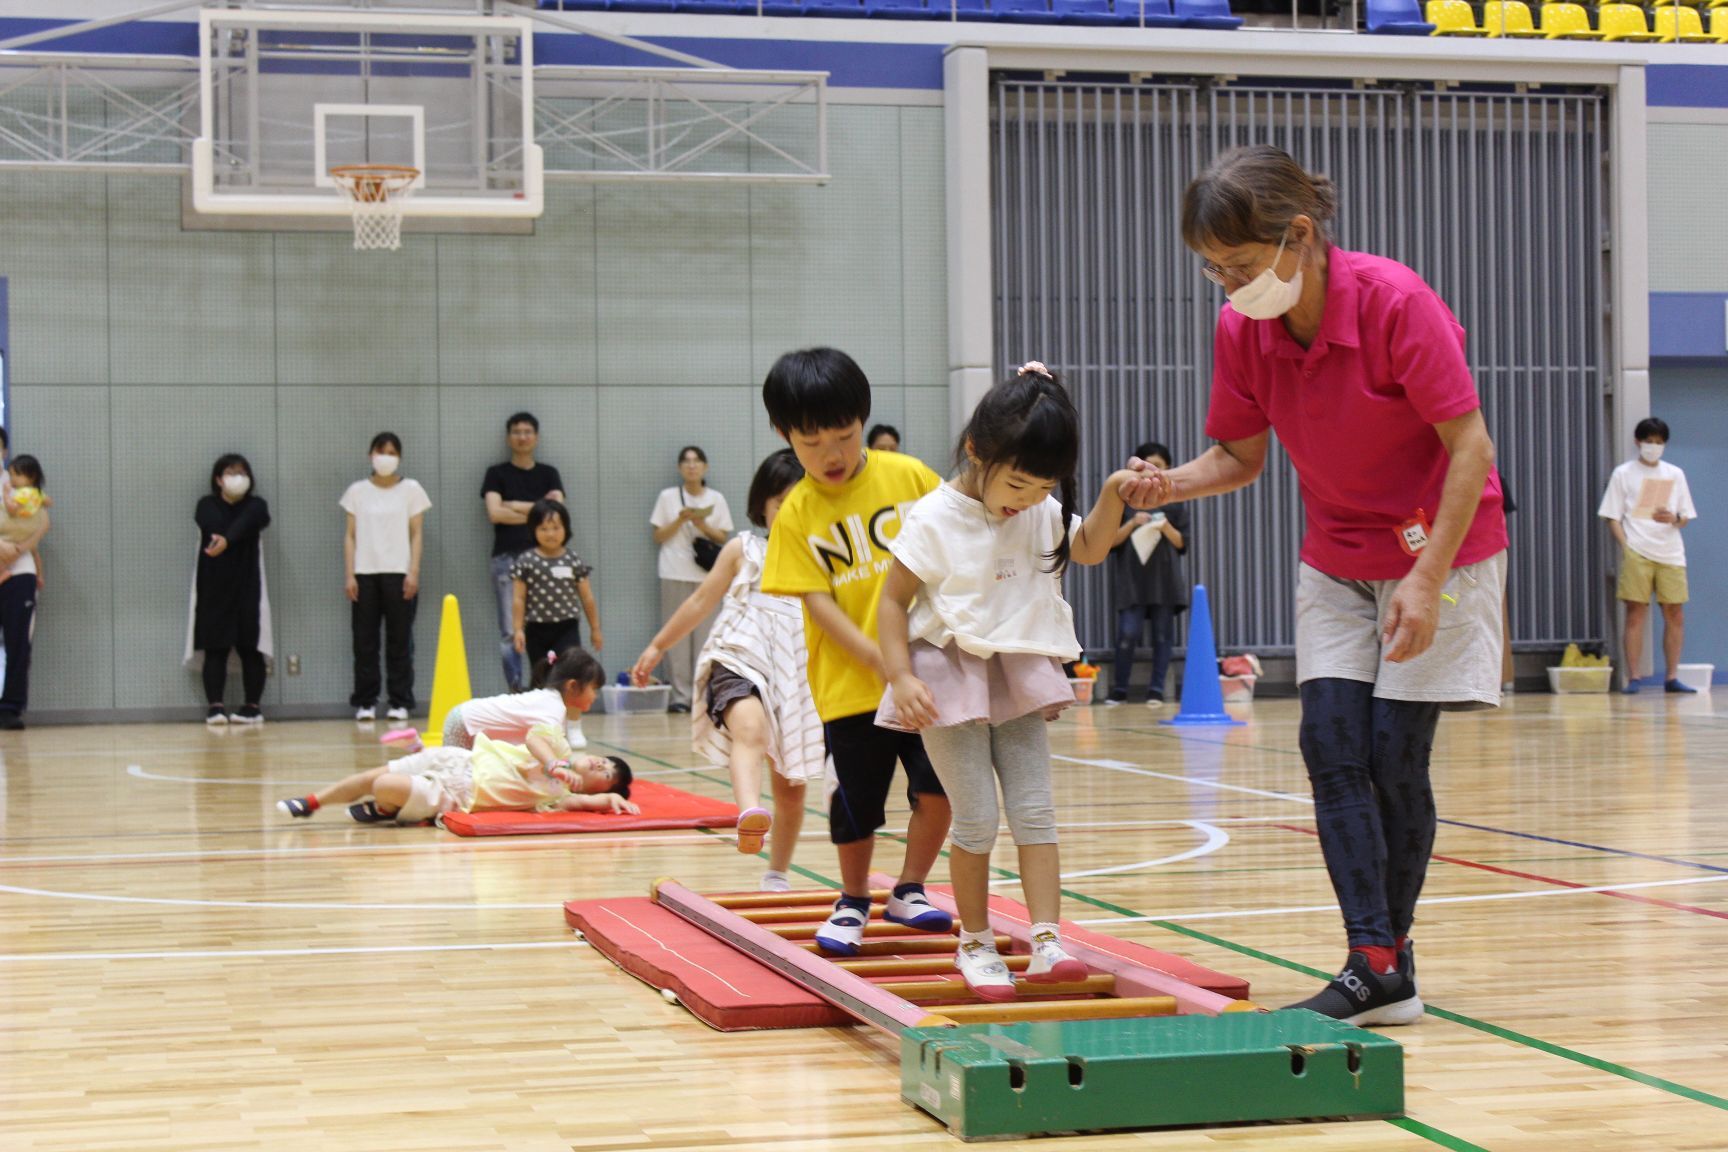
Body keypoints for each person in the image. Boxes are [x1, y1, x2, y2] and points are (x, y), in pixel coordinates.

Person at [1134, 145, 1507, 1026]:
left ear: (1298, 236)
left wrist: (1426, 576)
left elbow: (1471, 450)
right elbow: (1240, 455)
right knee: (1330, 747)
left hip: (1440, 551)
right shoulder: (1244, 328)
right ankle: (1374, 963)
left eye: (1238, 264)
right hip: (1337, 554)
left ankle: (1386, 962)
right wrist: (1168, 484)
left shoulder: (1394, 302)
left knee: (1390, 754)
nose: (1227, 285)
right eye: (1211, 270)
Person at [878, 364, 1146, 998]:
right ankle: (974, 941)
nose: (1026, 499)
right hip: (948, 674)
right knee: (974, 819)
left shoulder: (1038, 509)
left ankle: (1047, 939)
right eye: (1019, 483)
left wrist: (1112, 493)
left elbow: (1086, 549)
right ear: (977, 449)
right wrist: (900, 674)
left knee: (1035, 812)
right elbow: (891, 603)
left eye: (1043, 486)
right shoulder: (933, 516)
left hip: (1018, 668)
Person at [760, 347, 953, 956]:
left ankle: (911, 888)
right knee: (855, 802)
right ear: (784, 436)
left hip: (932, 677)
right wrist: (885, 665)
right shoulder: (797, 514)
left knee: (939, 787)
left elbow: (953, 557)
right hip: (852, 685)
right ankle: (851, 898)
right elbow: (818, 608)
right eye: (812, 443)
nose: (832, 455)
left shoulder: (911, 478)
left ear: (863, 421)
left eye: (844, 435)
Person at [630, 449, 822, 892]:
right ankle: (750, 811)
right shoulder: (744, 549)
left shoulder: (823, 558)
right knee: (750, 730)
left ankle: (777, 871)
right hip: (739, 655)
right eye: (781, 504)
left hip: (795, 669)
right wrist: (658, 646)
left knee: (792, 786)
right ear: (763, 506)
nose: (790, 513)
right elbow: (700, 601)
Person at [277, 745, 636, 824]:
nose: (599, 764)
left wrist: (607, 799)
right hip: (456, 759)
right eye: (603, 760)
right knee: (372, 776)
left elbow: (578, 805)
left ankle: (387, 806)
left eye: (604, 773)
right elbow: (532, 740)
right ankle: (312, 802)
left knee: (384, 784)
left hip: (452, 793)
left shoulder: (556, 795)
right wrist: (557, 763)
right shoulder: (555, 748)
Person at [1598, 417, 1698, 695]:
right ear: (1637, 442)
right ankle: (1634, 677)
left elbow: (1685, 516)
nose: (1653, 447)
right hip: (1638, 550)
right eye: (1649, 441)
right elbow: (1611, 516)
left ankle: (1672, 676)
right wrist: (1627, 546)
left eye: (1658, 442)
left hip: (1671, 552)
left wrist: (1674, 517)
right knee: (1635, 613)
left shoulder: (1675, 474)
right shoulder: (1623, 473)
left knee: (1675, 613)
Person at [342, 432, 431, 723]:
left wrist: (413, 571)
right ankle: (366, 701)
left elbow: (417, 533)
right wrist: (350, 574)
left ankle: (400, 701)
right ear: (371, 455)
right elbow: (350, 536)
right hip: (365, 574)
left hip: (400, 574)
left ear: (399, 457)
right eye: (381, 451)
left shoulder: (412, 489)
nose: (386, 457)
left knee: (400, 641)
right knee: (364, 641)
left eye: (392, 452)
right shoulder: (357, 491)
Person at [1103, 440, 1191, 708]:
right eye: (1150, 466)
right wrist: (1132, 522)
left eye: (1161, 467)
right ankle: (1119, 690)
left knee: (1163, 636)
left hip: (1164, 580)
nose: (1154, 472)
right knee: (1127, 634)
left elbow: (1182, 543)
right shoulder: (1123, 499)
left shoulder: (1175, 503)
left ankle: (1155, 690)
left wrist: (1164, 526)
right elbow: (1108, 542)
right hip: (1132, 579)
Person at [482, 412, 565, 692]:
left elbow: (555, 515)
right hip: (507, 559)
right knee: (510, 631)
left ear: (536, 437)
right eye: (516, 432)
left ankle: (546, 690)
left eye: (528, 431)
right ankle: (516, 691)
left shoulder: (549, 473)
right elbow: (495, 513)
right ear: (509, 438)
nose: (522, 436)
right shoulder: (496, 473)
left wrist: (513, 505)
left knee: (545, 627)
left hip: (546, 561)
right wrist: (536, 509)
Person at [649, 446, 734, 712]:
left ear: (705, 467)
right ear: (679, 468)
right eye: (686, 462)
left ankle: (704, 696)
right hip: (673, 571)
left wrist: (700, 524)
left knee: (707, 636)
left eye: (697, 461)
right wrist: (679, 520)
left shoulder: (716, 498)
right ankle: (680, 698)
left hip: (708, 575)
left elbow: (722, 537)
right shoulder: (668, 497)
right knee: (676, 639)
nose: (692, 466)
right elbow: (658, 535)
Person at [192, 454, 274, 726]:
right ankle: (216, 706)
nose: (237, 477)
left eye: (242, 472)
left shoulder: (256, 506)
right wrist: (225, 537)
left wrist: (228, 539)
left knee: (251, 647)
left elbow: (253, 519)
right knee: (215, 648)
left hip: (249, 586)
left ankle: (252, 706)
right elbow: (210, 522)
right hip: (214, 588)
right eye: (230, 472)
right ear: (218, 479)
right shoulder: (207, 505)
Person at [511, 499, 601, 747]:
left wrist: (595, 628)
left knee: (574, 677)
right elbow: (518, 598)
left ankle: (573, 727)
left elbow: (587, 597)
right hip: (537, 628)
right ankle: (541, 731)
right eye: (543, 528)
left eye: (556, 527)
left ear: (566, 529)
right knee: (542, 681)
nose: (550, 534)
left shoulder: (572, 560)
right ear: (533, 530)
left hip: (566, 627)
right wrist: (518, 629)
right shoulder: (526, 561)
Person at [440, 646, 607, 753]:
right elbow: (548, 757)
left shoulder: (551, 701)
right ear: (572, 686)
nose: (595, 696)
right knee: (457, 779)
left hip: (464, 719)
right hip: (464, 724)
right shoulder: (553, 708)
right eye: (593, 688)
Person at [0, 451, 49, 730]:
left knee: (18, 643)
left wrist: (19, 550)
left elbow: (43, 525)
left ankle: (10, 707)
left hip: (20, 572)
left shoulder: (25, 492)